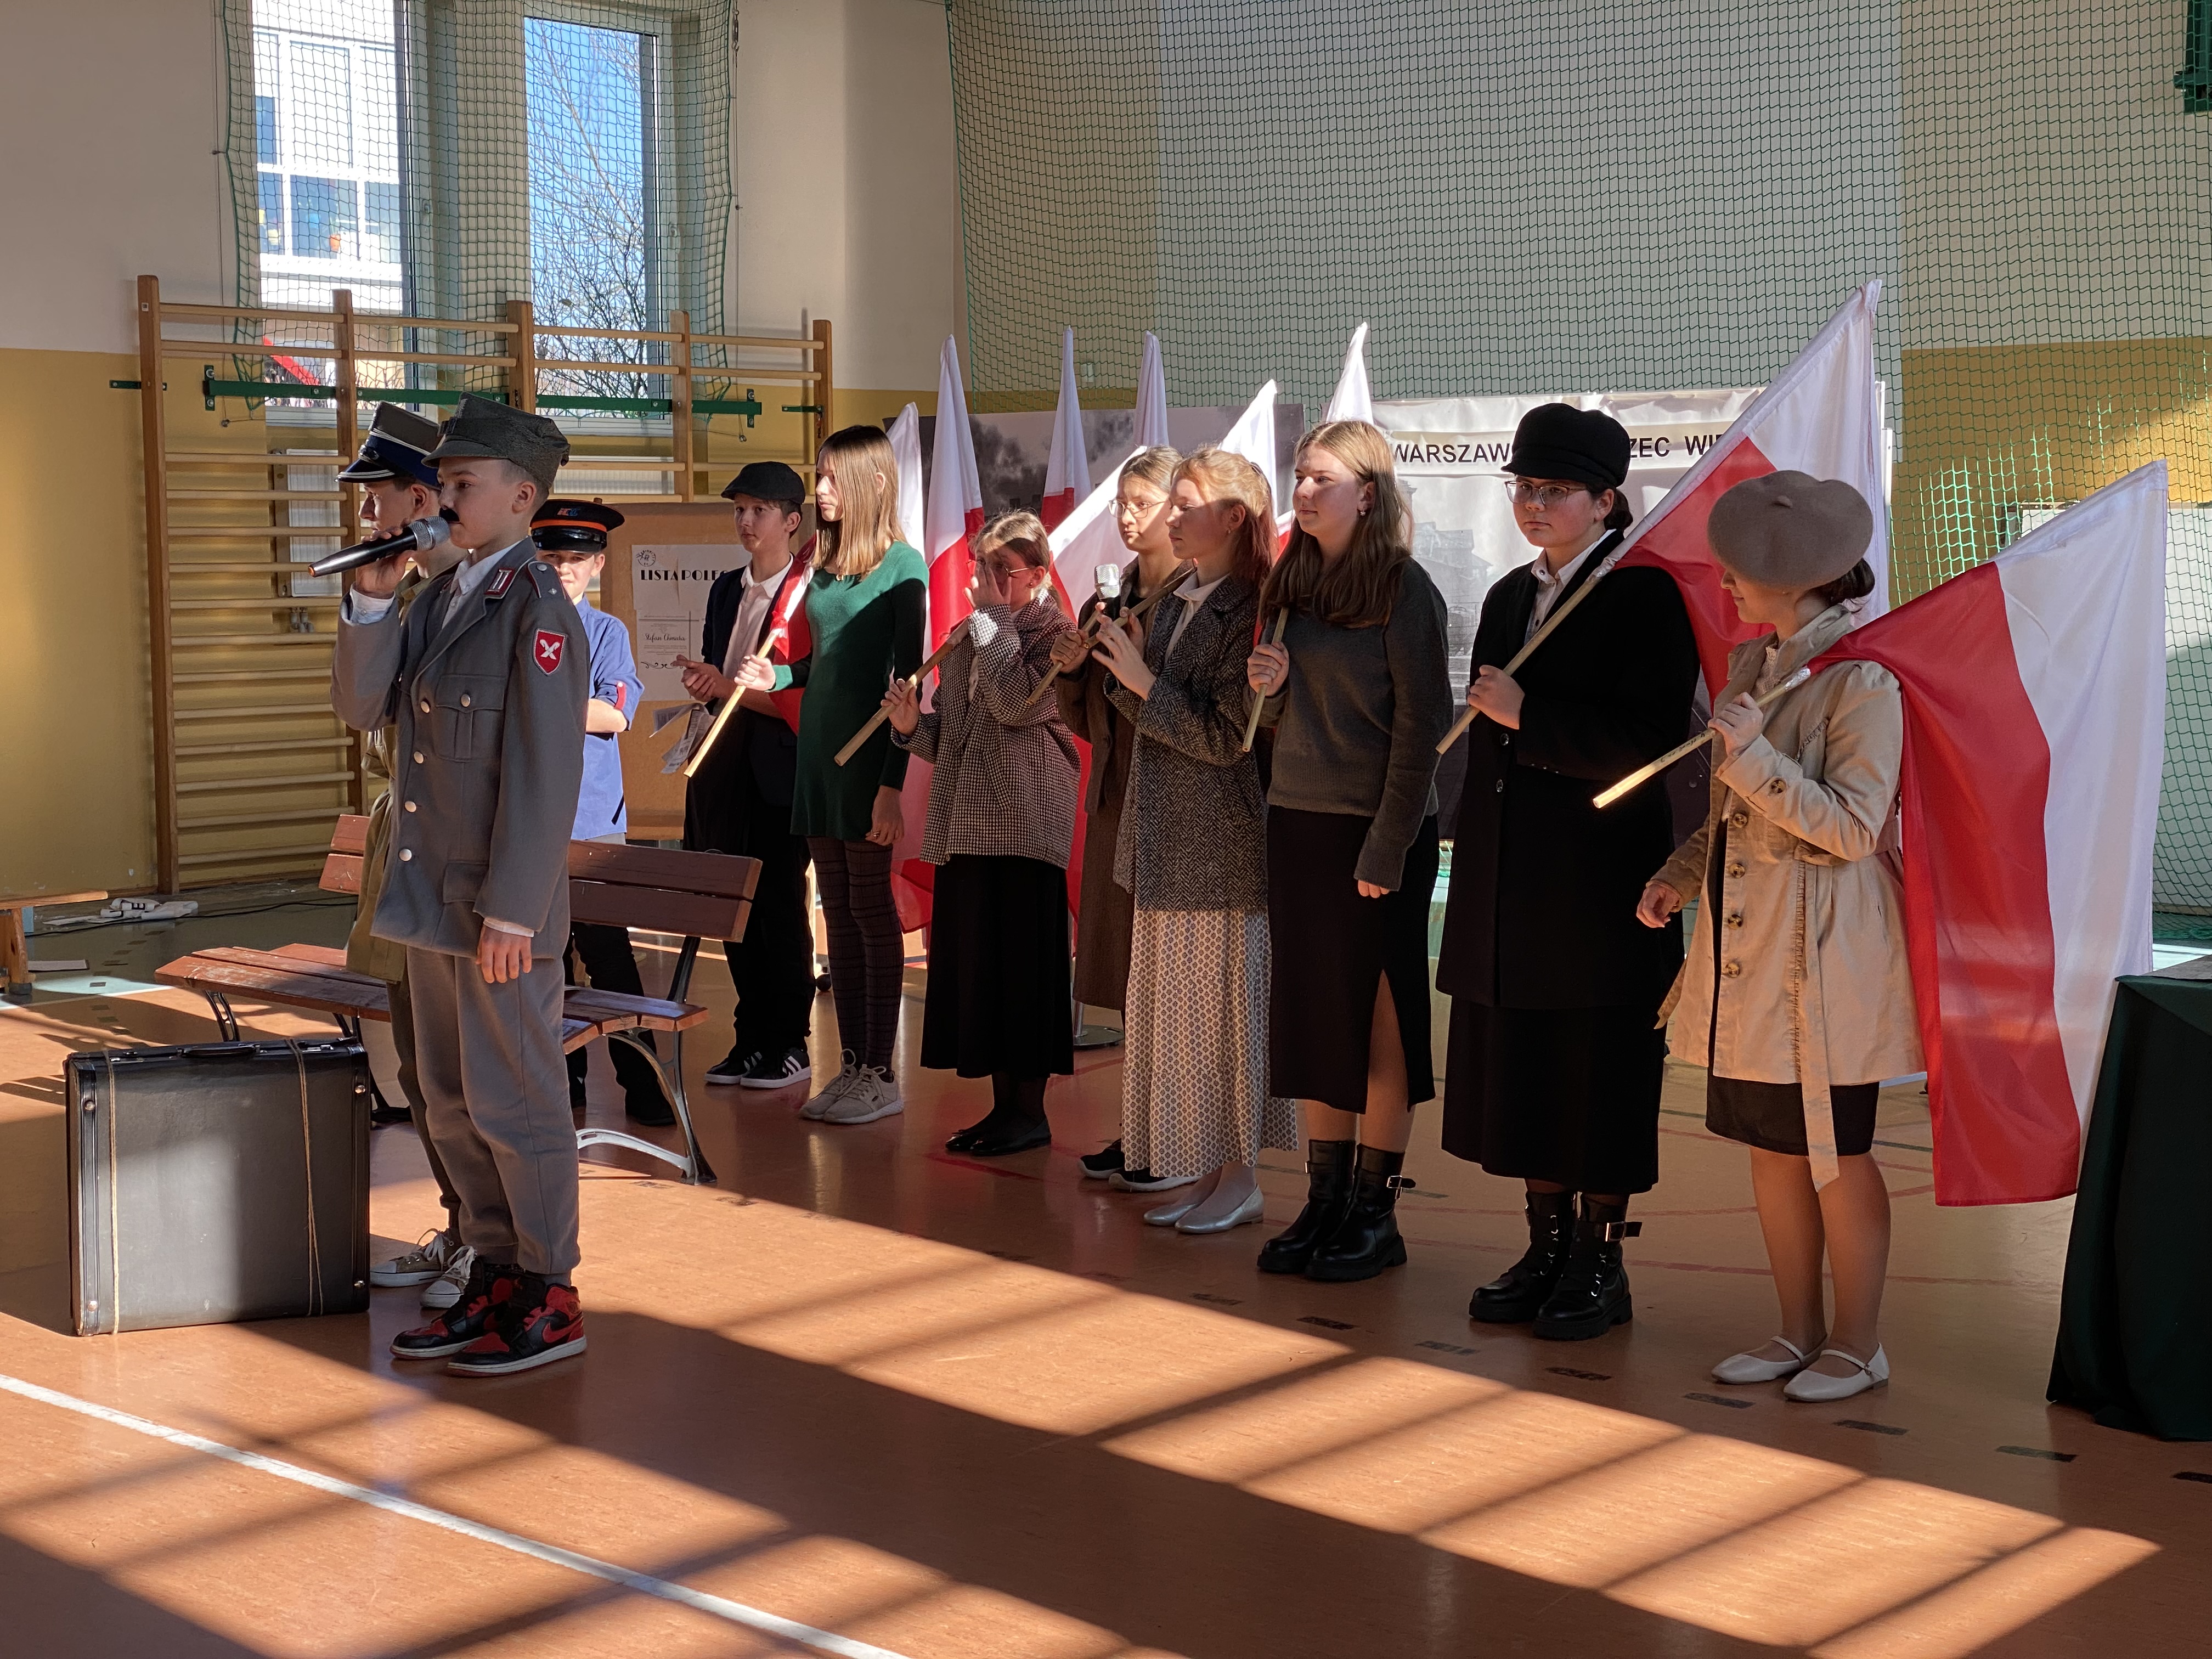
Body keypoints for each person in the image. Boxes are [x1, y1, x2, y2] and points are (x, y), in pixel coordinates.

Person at [1639, 472, 1915, 1402]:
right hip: (1750, 959)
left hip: (1828, 962)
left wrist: (1753, 752)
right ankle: (1797, 1329)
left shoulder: (1862, 679)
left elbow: (1853, 828)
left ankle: (1860, 1341)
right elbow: (1729, 813)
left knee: (1834, 1151)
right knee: (1773, 1148)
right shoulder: (1756, 667)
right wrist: (1681, 874)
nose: (1723, 585)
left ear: (1794, 582)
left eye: (1735, 572)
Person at [331, 392, 590, 1378]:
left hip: (496, 912)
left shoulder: (537, 610)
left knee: (516, 1105)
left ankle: (548, 1288)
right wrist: (369, 599)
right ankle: (493, 1268)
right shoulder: (437, 598)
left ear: (522, 497)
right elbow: (363, 705)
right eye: (440, 482)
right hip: (431, 901)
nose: (442, 500)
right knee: (445, 1099)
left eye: (462, 484)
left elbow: (543, 773)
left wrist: (516, 909)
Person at [1435, 403, 1699, 1341]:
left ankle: (1599, 1257)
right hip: (1513, 878)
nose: (1533, 504)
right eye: (1523, 487)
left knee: (1601, 1071)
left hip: (1600, 880)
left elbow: (1654, 741)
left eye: (1554, 490)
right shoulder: (1510, 595)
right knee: (1527, 1067)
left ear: (1605, 501)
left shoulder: (1642, 594)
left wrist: (1530, 719)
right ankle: (1544, 1245)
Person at [1247, 420, 1453, 1282]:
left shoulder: (1406, 591)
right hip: (1298, 823)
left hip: (1377, 832)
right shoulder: (1290, 581)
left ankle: (1375, 1212)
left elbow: (1424, 729)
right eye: (1299, 476)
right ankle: (1324, 1201)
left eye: (1320, 478)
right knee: (1315, 1019)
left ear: (1367, 494)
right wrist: (1271, 691)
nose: (1302, 491)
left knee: (1379, 1018)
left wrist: (1388, 847)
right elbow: (1274, 722)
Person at [1088, 447, 1294, 1229]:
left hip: (1219, 846)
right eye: (1170, 502)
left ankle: (1241, 1178)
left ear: (1234, 517)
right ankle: (1207, 1171)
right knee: (1180, 1024)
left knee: (1225, 1021)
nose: (1171, 517)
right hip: (1164, 839)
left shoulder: (1254, 608)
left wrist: (1143, 681)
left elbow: (1226, 739)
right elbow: (1153, 715)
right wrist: (1117, 666)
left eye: (1186, 503)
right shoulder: (1176, 600)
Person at [731, 425, 925, 1125]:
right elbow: (822, 665)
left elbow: (908, 686)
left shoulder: (904, 568)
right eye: (818, 476)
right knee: (837, 916)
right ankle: (851, 1067)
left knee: (871, 913)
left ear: (872, 482)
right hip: (816, 760)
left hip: (867, 764)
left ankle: (882, 1073)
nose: (819, 491)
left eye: (831, 478)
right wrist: (778, 676)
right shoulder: (826, 562)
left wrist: (891, 786)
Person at [882, 512, 1080, 1155]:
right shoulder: (971, 634)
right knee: (983, 971)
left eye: (1003, 569)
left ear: (1039, 575)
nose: (986, 580)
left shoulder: (1057, 635)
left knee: (1024, 970)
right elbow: (954, 735)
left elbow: (1021, 704)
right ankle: (1003, 1110)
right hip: (966, 825)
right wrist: (912, 728)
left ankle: (1030, 1111)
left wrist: (991, 622)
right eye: (981, 567)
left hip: (1023, 825)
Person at [344, 403, 480, 1313]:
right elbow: (361, 711)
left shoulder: (478, 598)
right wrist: (366, 600)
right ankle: (461, 1225)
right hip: (400, 862)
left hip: (456, 874)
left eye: (377, 498)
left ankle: (494, 1242)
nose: (366, 518)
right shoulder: (412, 598)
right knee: (423, 1077)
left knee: (466, 1078)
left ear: (422, 500)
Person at [1049, 445, 1185, 1186]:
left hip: (1170, 804)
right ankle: (1142, 1130)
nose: (1128, 518)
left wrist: (1139, 670)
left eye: (1143, 504)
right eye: (1121, 504)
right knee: (1131, 975)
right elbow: (1085, 721)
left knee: (1170, 980)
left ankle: (1177, 1136)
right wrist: (1073, 673)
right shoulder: (1109, 599)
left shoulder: (1196, 599)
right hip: (1113, 800)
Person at [531, 499, 672, 1128]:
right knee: (547, 961)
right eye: (551, 556)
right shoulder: (514, 625)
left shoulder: (607, 632)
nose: (563, 568)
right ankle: (565, 1081)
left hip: (591, 824)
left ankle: (644, 1082)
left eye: (576, 558)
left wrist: (536, 697)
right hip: (529, 823)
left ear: (598, 565)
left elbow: (614, 713)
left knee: (609, 957)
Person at [676, 461, 816, 1094]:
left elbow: (802, 696)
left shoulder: (808, 595)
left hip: (778, 767)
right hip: (722, 762)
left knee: (778, 907)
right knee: (732, 907)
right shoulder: (724, 589)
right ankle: (751, 1036)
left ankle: (789, 1041)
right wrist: (708, 684)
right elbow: (723, 674)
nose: (746, 521)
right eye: (739, 509)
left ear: (792, 521)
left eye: (760, 510)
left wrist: (728, 687)